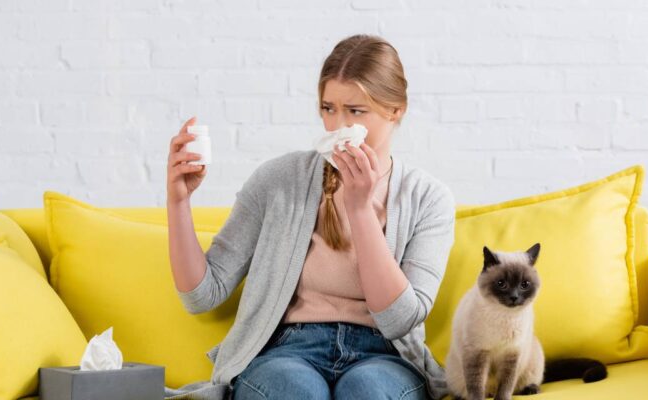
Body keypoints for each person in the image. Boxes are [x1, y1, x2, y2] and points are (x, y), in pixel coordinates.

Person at [165, 34, 456, 400]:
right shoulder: (278, 180)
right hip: (288, 349)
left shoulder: (429, 199)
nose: (337, 127)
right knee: (292, 390)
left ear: (394, 110)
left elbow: (400, 319)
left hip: (384, 353)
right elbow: (202, 295)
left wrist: (359, 208)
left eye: (355, 111)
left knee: (368, 391)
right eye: (328, 108)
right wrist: (178, 201)